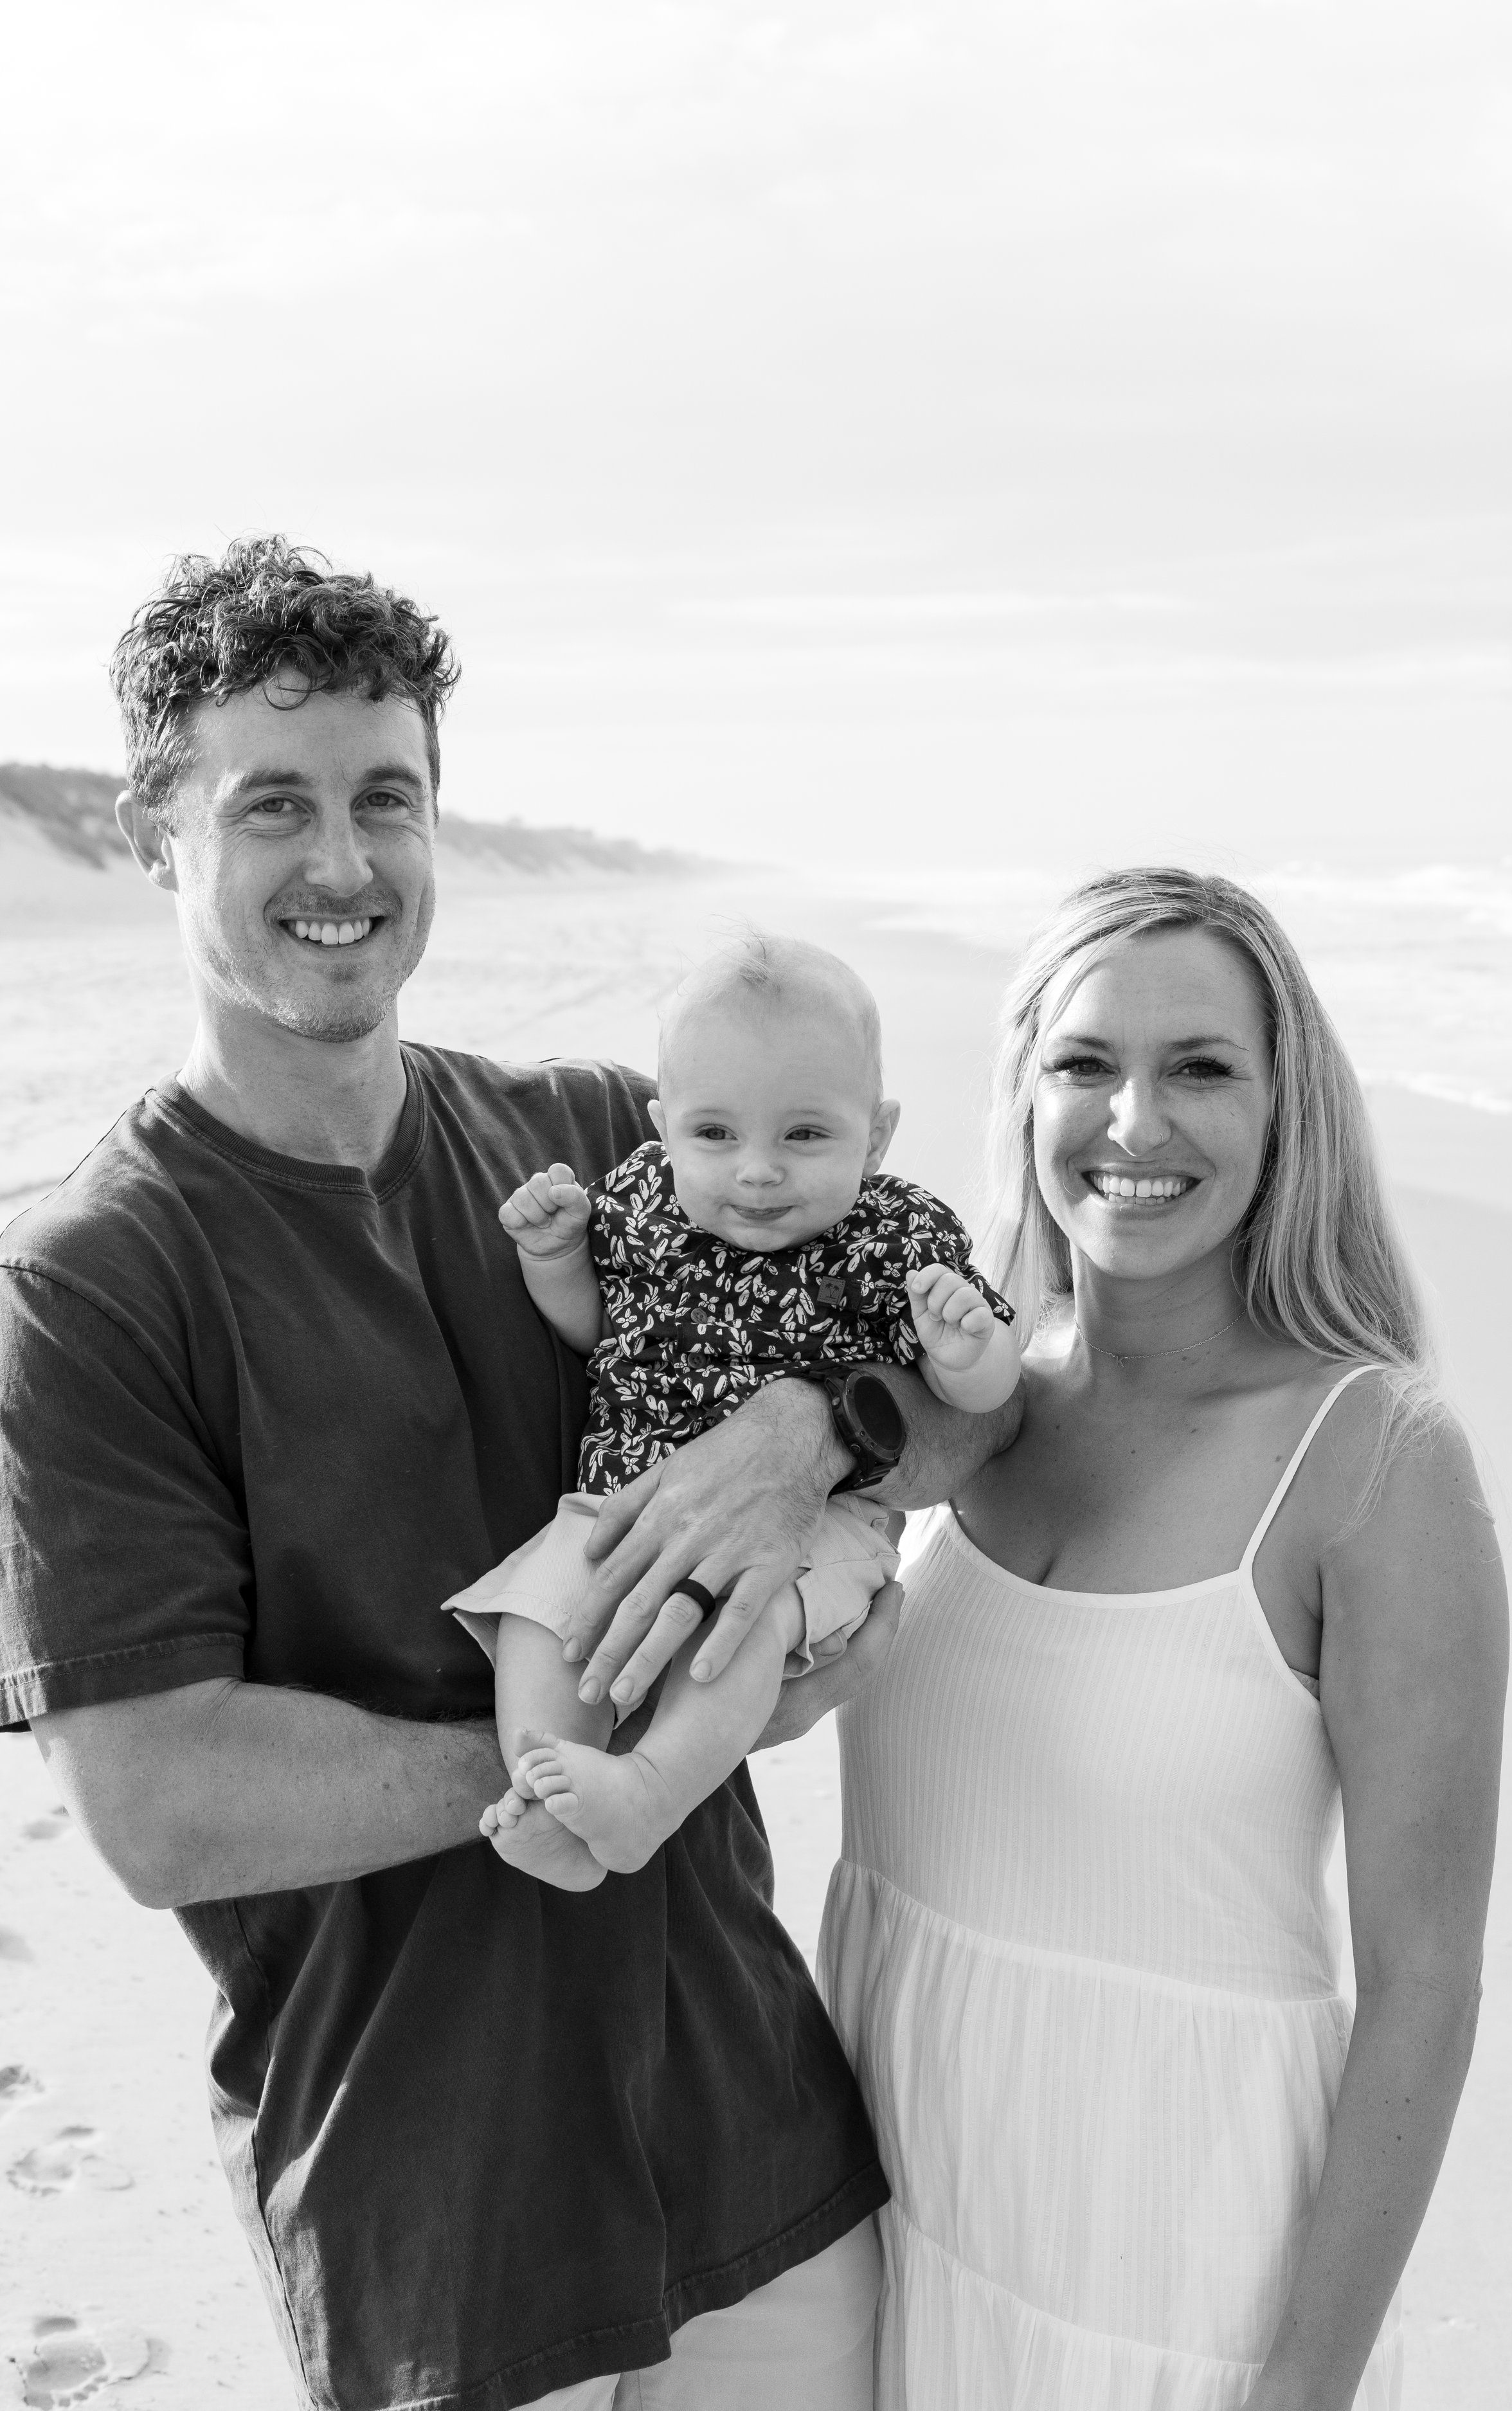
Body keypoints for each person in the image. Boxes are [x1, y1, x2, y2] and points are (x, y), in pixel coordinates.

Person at [0, 537, 1020, 2411]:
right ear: (153, 835)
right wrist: (612, 1759)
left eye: (387, 798)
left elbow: (967, 1402)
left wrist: (805, 1432)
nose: (342, 863)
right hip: (434, 2212)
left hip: (752, 2125)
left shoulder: (591, 1134)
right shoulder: (90, 1280)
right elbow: (157, 1798)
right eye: (271, 807)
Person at [820, 869, 1508, 2410]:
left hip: (1175, 2284)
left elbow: (1425, 1988)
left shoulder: (1371, 1460)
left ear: (1284, 1112)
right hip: (893, 2224)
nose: (1132, 1123)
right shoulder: (954, 1408)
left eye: (1198, 1067)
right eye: (1084, 1064)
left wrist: (1299, 2392)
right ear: (1021, 1092)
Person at [451, 933, 1019, 1888]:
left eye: (805, 1135)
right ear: (663, 1125)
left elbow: (987, 1397)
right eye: (715, 1135)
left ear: (875, 1136)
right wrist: (554, 1259)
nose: (757, 1171)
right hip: (627, 1504)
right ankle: (550, 1791)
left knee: (745, 1620)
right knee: (540, 1615)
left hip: (815, 1528)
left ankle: (651, 1792)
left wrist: (968, 1349)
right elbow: (603, 1330)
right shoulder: (638, 1203)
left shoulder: (893, 1235)